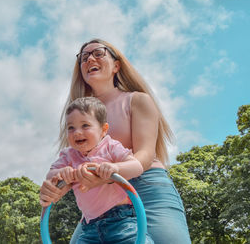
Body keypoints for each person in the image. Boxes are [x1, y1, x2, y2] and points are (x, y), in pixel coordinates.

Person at [39, 39, 191, 244]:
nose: (89, 58)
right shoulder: (77, 113)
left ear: (116, 66)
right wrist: (56, 186)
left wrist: (110, 173)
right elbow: (73, 164)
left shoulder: (137, 100)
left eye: (98, 53)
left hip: (146, 188)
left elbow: (144, 156)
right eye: (83, 57)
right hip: (104, 204)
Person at [43, 96, 153, 243]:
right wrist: (61, 173)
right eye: (71, 127)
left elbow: (136, 167)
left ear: (103, 130)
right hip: (89, 228)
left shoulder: (110, 147)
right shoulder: (68, 155)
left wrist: (115, 168)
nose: (77, 132)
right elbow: (50, 175)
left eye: (85, 125)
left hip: (122, 221)